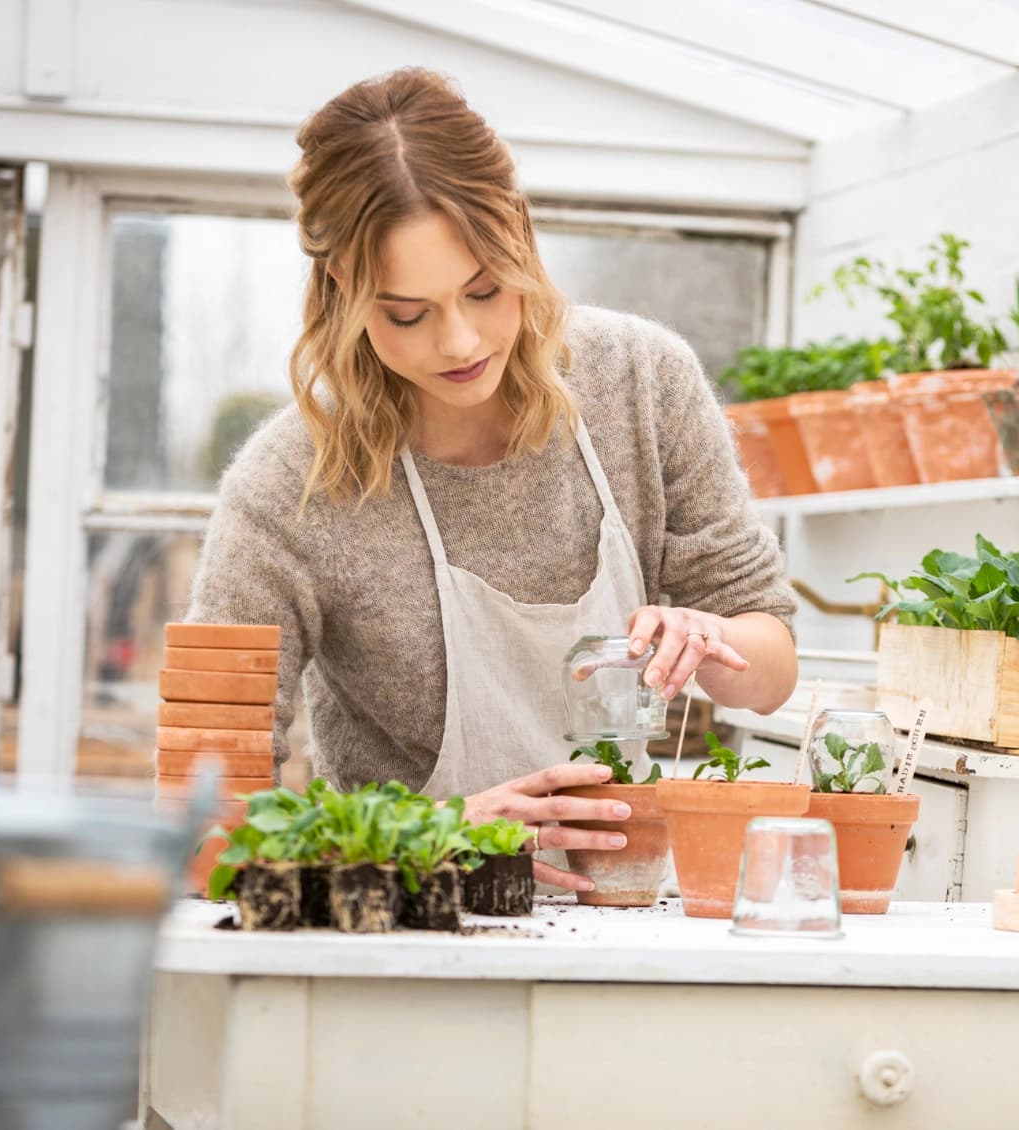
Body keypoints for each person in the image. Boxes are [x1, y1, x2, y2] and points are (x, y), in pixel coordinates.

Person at [187, 68, 799, 891]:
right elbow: (207, 804)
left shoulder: (643, 383)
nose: (460, 340)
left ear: (521, 239)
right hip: (404, 935)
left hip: (626, 912)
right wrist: (431, 836)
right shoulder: (286, 485)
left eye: (484, 289)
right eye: (408, 313)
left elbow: (773, 668)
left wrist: (711, 642)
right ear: (343, 289)